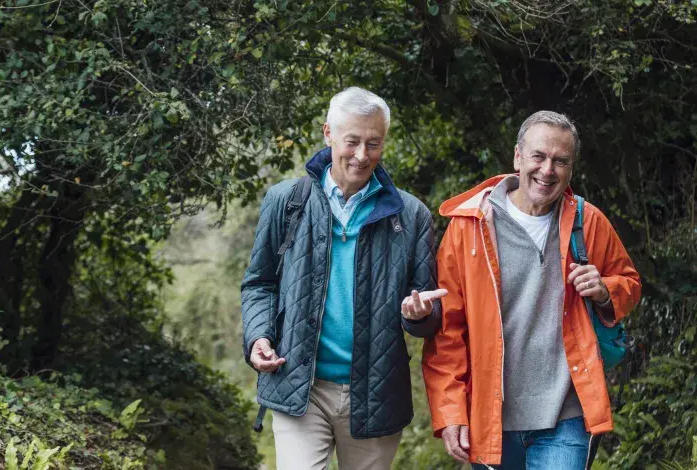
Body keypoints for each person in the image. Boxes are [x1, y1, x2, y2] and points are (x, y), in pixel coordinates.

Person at [422, 111, 641, 469]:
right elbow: (448, 331)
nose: (547, 169)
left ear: (571, 170)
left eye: (560, 161)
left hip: (568, 413)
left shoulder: (588, 222)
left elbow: (629, 283)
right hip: (491, 415)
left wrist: (604, 291)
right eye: (539, 156)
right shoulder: (469, 228)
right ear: (517, 157)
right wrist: (450, 412)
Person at [241, 87, 445, 470]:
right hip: (300, 386)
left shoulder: (412, 215)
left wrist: (419, 315)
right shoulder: (286, 201)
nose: (362, 155)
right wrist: (258, 337)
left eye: (374, 143)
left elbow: (427, 315)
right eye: (352, 141)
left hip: (376, 393)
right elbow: (259, 283)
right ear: (328, 134)